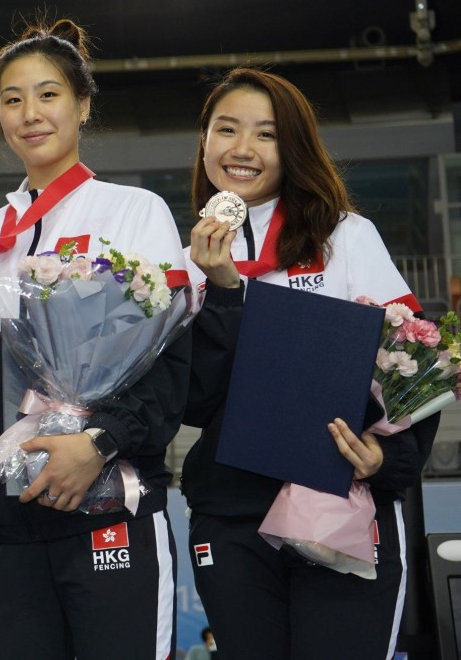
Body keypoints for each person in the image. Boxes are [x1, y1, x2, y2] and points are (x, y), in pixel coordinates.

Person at [0, 18, 189, 660]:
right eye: (11, 99)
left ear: (83, 104)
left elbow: (166, 360)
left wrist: (97, 444)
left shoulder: (134, 211)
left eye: (48, 94)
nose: (29, 114)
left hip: (111, 503)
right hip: (6, 519)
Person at [181, 67, 441, 659]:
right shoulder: (186, 260)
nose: (242, 149)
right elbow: (194, 402)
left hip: (342, 504)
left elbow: (417, 361)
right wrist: (220, 290)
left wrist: (389, 457)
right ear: (204, 142)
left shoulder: (345, 236)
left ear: (292, 146)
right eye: (226, 129)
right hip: (233, 517)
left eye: (266, 134)